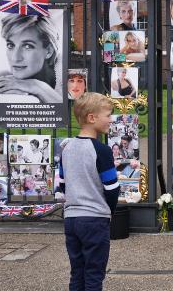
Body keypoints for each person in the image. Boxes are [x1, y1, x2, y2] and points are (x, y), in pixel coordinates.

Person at [59, 92, 120, 290]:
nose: (111, 119)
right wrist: (109, 210)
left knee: (77, 271)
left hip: (71, 219)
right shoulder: (102, 150)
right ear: (92, 118)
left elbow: (62, 184)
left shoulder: (66, 148)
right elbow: (112, 188)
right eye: (108, 115)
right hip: (95, 219)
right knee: (94, 273)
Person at [0, 13, 62, 103]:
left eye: (27, 46)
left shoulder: (64, 72)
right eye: (11, 45)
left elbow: (67, 109)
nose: (15, 58)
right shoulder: (5, 78)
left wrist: (37, 86)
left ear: (49, 51)